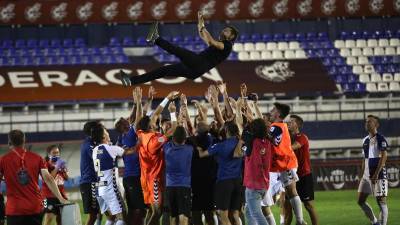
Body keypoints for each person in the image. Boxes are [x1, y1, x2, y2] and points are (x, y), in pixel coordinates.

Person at [118, 12, 238, 86]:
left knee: (178, 51)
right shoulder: (221, 45)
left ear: (231, 36)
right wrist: (200, 24)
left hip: (199, 64)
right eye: (224, 29)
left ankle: (155, 39)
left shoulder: (227, 45)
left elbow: (210, 41)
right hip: (194, 70)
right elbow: (205, 38)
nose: (223, 31)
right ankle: (131, 81)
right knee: (163, 70)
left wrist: (204, 27)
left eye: (226, 31)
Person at [0, 130, 68, 225]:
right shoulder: (37, 158)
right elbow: (48, 179)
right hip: (34, 207)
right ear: (24, 141)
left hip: (14, 209)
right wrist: (61, 198)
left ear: (9, 143)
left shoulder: (3, 160)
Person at [197, 121, 243, 225]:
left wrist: (198, 146)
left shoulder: (220, 146)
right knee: (235, 214)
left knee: (223, 216)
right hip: (238, 181)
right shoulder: (240, 143)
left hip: (224, 182)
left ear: (226, 130)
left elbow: (202, 154)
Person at [268, 103, 306, 225]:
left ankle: (300, 220)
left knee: (291, 191)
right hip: (281, 164)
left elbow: (267, 136)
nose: (271, 111)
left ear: (278, 114)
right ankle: (297, 220)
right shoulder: (280, 126)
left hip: (286, 163)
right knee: (289, 192)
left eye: (273, 110)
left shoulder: (276, 127)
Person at [92, 125, 137, 225]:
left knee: (111, 218)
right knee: (122, 217)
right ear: (103, 137)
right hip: (110, 189)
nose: (108, 133)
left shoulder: (95, 150)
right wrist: (140, 141)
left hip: (100, 190)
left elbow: (108, 155)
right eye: (106, 132)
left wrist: (118, 149)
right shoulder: (110, 148)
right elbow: (132, 151)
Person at [287, 115, 319, 225]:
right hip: (291, 175)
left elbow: (293, 147)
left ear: (297, 125)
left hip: (304, 174)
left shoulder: (302, 137)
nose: (288, 123)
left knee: (308, 205)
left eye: (291, 122)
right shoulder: (288, 137)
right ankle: (301, 222)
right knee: (290, 206)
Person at [357, 115, 389, 225]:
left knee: (381, 202)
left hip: (378, 174)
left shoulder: (380, 138)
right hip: (366, 175)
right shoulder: (365, 140)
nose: (367, 123)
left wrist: (376, 173)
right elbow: (364, 159)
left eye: (370, 122)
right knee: (360, 201)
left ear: (376, 125)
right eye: (366, 122)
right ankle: (375, 222)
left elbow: (384, 156)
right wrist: (361, 175)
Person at [241, 118, 272, 225]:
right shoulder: (267, 141)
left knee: (256, 214)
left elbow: (244, 133)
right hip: (263, 184)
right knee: (249, 213)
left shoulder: (252, 142)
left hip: (253, 185)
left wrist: (247, 123)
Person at [115, 117, 146, 225]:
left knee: (134, 210)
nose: (127, 119)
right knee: (139, 209)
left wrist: (136, 104)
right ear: (123, 126)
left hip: (129, 178)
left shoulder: (122, 137)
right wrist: (138, 103)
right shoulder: (129, 135)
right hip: (133, 177)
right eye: (124, 120)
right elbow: (138, 117)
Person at [187, 122, 218, 225]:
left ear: (198, 130)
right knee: (207, 211)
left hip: (197, 181)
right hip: (208, 181)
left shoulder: (193, 140)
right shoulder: (211, 139)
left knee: (197, 210)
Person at [164, 126, 193, 225]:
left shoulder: (167, 148)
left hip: (170, 186)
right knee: (183, 217)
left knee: (173, 217)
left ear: (173, 138)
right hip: (184, 186)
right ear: (185, 139)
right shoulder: (190, 149)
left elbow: (164, 138)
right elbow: (191, 138)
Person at [80, 121, 104, 225]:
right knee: (93, 215)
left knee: (99, 212)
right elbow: (99, 158)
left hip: (93, 182)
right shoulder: (89, 145)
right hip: (89, 183)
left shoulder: (92, 143)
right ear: (92, 131)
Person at [42, 145, 69, 225]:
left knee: (61, 219)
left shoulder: (61, 163)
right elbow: (50, 178)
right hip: (47, 195)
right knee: (49, 217)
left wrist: (63, 170)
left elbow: (67, 178)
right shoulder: (45, 164)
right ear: (48, 154)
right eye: (54, 153)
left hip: (61, 194)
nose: (56, 154)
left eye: (57, 152)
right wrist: (57, 167)